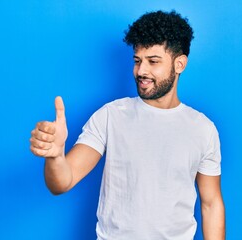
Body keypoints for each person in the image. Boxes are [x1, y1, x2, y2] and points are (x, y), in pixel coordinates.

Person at [30, 10, 225, 240]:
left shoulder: (202, 129)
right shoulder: (110, 116)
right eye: (137, 61)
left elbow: (211, 204)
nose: (141, 71)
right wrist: (55, 156)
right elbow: (62, 182)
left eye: (153, 61)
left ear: (179, 64)